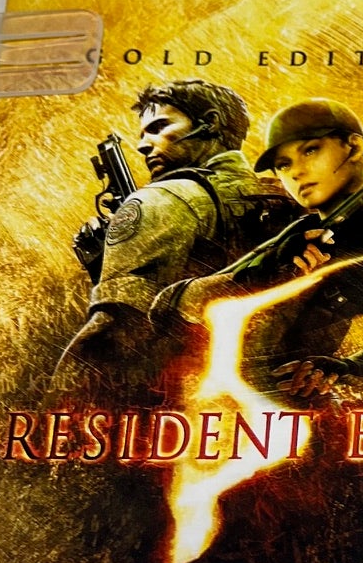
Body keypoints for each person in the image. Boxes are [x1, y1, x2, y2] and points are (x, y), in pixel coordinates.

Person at [154, 98, 363, 402]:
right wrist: (268, 269)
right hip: (217, 410)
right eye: (283, 164)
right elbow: (169, 307)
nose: (296, 172)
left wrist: (361, 366)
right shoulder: (298, 230)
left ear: (354, 148)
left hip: (288, 415)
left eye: (310, 150)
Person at [57, 80, 290, 383]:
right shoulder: (291, 198)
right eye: (142, 134)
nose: (142, 145)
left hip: (179, 395)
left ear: (210, 123)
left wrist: (57, 404)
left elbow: (111, 336)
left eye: (158, 127)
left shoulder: (160, 199)